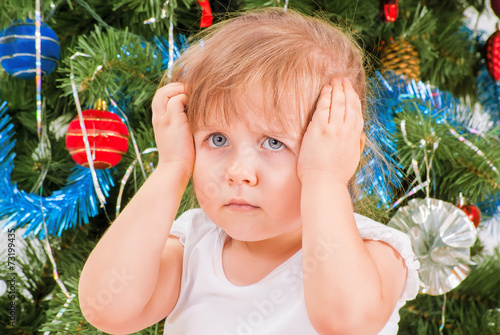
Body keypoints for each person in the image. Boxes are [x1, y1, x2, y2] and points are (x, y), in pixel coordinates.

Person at [79, 8, 419, 335]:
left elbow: (344, 322)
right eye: (217, 138)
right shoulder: (193, 247)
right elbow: (106, 308)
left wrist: (324, 179)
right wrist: (172, 167)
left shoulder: (376, 252)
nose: (238, 172)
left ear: (341, 150)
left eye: (273, 143)